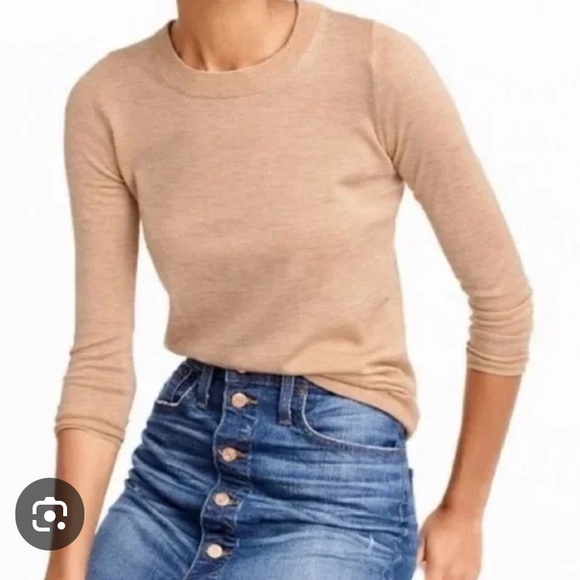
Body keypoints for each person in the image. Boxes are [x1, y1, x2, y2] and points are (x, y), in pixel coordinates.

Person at [45, 0, 534, 579]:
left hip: (333, 486)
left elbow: (502, 300)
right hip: (174, 469)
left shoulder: (375, 64)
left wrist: (465, 510)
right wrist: (63, 563)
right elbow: (99, 362)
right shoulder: (108, 97)